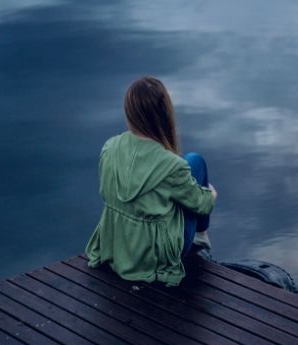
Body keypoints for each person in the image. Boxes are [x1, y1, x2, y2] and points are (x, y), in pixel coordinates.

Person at [84, 76, 217, 287]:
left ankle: (196, 231)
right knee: (195, 161)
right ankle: (201, 236)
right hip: (154, 257)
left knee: (186, 167)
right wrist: (210, 194)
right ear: (165, 114)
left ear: (129, 113)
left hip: (119, 245)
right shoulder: (172, 165)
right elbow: (203, 205)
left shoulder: (109, 148)